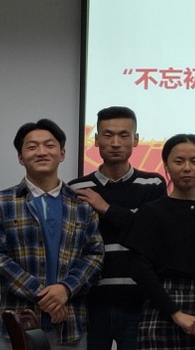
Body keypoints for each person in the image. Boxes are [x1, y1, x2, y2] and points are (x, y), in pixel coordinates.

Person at [0, 119, 103, 350]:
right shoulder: (1, 203)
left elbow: (94, 256)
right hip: (17, 325)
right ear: (21, 157)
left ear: (62, 154)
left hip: (70, 326)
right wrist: (46, 297)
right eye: (32, 147)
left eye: (49, 145)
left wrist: (65, 289)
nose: (41, 152)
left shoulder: (81, 205)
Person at [69, 106, 167, 350]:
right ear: (96, 140)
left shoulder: (153, 183)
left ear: (136, 140)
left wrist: (106, 209)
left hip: (139, 301)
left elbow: (150, 236)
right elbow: (73, 245)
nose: (115, 143)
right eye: (108, 135)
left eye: (124, 135)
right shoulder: (77, 188)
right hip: (91, 303)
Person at [125, 134, 195, 350]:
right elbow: (140, 268)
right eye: (179, 161)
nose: (187, 168)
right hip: (161, 308)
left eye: (194, 161)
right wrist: (174, 312)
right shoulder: (151, 212)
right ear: (166, 165)